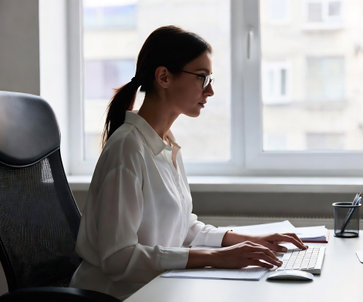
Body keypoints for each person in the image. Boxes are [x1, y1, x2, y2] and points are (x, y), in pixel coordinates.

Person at [70, 25, 307, 299]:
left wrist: (245, 241)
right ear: (163, 77)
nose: (210, 91)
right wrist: (216, 258)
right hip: (118, 295)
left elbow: (183, 228)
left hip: (158, 288)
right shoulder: (127, 149)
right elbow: (118, 258)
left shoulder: (166, 144)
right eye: (202, 78)